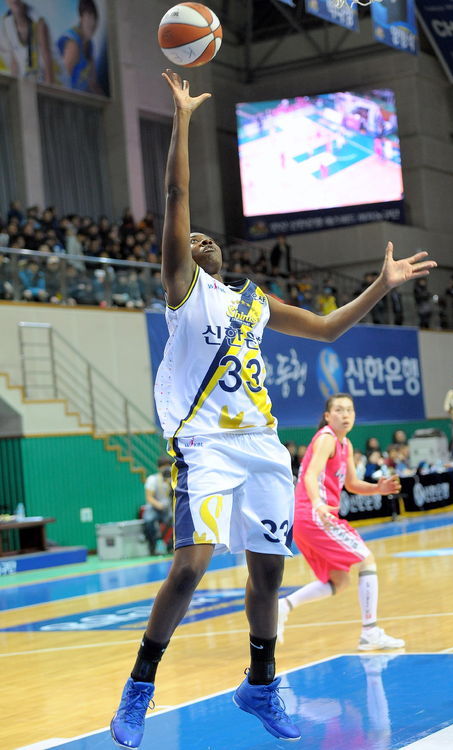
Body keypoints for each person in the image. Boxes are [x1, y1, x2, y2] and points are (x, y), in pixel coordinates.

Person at [110, 70, 436, 749]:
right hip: (205, 445)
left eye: (208, 240)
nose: (199, 240)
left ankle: (260, 684)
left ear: (223, 257)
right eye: (191, 239)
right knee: (191, 566)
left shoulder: (251, 303)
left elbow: (329, 329)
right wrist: (182, 118)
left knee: (268, 572)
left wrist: (381, 285)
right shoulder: (181, 292)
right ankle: (139, 685)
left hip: (260, 445)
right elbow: (176, 195)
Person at [277, 394, 405, 651]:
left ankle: (283, 606)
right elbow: (310, 475)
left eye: (349, 410)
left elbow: (352, 484)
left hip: (308, 518)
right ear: (327, 416)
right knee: (366, 559)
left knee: (340, 581)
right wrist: (317, 503)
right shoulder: (326, 438)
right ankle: (370, 632)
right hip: (314, 515)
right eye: (339, 410)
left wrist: (377, 488)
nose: (345, 414)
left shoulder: (344, 443)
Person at [1, 0, 54, 83]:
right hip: (28, 80)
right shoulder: (6, 22)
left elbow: (47, 57)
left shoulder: (38, 21)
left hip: (50, 78)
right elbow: (14, 61)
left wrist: (49, 87)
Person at [57, 0, 103, 94]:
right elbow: (62, 81)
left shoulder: (90, 45)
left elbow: (92, 82)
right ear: (81, 18)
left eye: (95, 19)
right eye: (89, 17)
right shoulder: (73, 44)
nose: (92, 23)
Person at [143, 456, 173, 556]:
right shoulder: (152, 479)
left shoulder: (173, 480)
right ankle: (153, 545)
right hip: (155, 507)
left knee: (175, 520)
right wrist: (158, 505)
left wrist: (169, 482)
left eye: (169, 466)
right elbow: (149, 497)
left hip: (168, 509)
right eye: (164, 466)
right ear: (159, 467)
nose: (166, 468)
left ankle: (170, 545)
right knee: (149, 519)